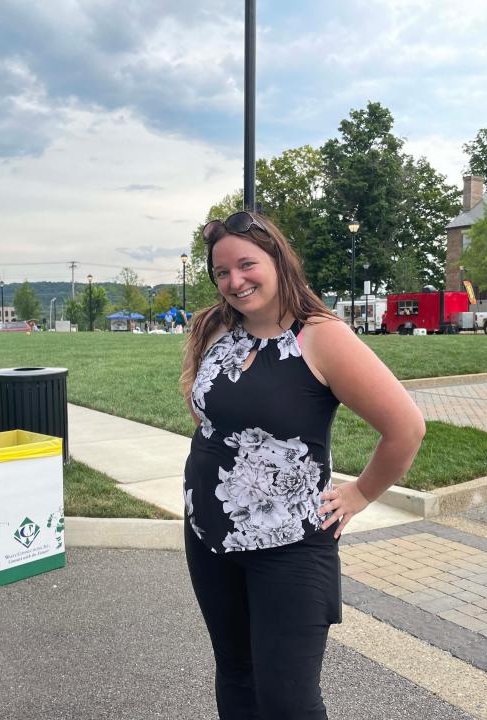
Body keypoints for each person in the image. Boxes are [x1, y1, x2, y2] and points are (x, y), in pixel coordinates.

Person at [180, 211, 426, 719]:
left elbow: (406, 427)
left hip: (288, 548)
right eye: (221, 272)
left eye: (246, 265)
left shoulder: (320, 337)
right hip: (208, 537)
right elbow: (209, 415)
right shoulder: (215, 328)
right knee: (235, 673)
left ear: (278, 260)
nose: (234, 281)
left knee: (288, 701)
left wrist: (360, 493)